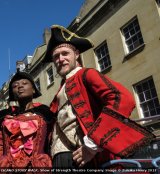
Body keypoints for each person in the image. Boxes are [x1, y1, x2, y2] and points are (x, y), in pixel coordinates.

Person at [42, 25, 155, 169]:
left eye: (65, 53)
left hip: (82, 155)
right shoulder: (59, 90)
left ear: (76, 54)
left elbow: (122, 98)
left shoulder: (86, 74)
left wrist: (91, 145)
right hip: (59, 157)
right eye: (56, 56)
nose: (61, 59)